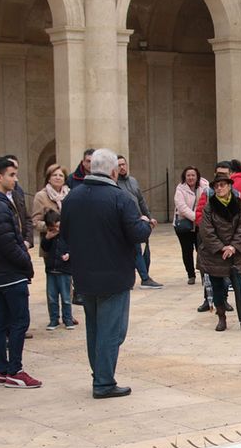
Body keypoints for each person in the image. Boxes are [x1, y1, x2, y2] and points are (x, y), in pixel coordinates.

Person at [58, 147, 151, 398]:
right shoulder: (120, 198)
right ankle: (103, 382)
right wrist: (144, 224)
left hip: (84, 276)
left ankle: (99, 373)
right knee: (112, 331)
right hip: (114, 275)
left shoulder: (72, 198)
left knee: (95, 329)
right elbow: (137, 233)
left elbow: (64, 234)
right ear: (112, 171)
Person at [0, 156, 40, 388]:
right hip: (10, 273)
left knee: (2, 323)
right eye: (11, 175)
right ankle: (14, 370)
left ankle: (2, 371)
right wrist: (25, 262)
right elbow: (7, 243)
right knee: (19, 322)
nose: (15, 179)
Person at [196, 172, 241, 332]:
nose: (219, 188)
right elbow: (206, 231)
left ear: (229, 186)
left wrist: (232, 247)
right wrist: (222, 247)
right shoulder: (209, 207)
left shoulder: (239, 205)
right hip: (215, 254)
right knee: (218, 288)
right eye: (216, 186)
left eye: (222, 185)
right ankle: (221, 317)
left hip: (234, 253)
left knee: (240, 286)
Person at [115, 154, 161, 289]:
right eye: (119, 165)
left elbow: (141, 200)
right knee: (135, 250)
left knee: (145, 250)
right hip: (127, 222)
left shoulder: (133, 181)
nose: (122, 167)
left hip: (141, 221)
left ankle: (143, 275)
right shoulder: (114, 183)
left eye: (123, 164)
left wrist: (149, 216)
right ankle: (145, 278)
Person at [39, 208, 77, 331]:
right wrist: (48, 238)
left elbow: (74, 246)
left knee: (66, 297)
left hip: (64, 270)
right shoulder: (50, 235)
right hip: (51, 269)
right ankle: (54, 319)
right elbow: (44, 248)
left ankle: (68, 319)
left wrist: (69, 254)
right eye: (53, 227)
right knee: (52, 297)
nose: (56, 229)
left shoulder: (67, 233)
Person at [172, 166, 206, 285]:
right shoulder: (180, 189)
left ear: (197, 176)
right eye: (188, 175)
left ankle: (204, 274)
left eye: (193, 175)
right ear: (184, 177)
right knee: (187, 250)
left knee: (201, 249)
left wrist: (200, 220)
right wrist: (196, 218)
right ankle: (191, 274)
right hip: (185, 225)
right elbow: (182, 208)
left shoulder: (204, 187)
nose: (191, 178)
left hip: (200, 225)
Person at [31, 163, 69, 244]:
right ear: (48, 179)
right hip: (50, 242)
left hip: (69, 241)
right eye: (54, 175)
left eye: (61, 175)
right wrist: (53, 226)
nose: (58, 177)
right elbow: (35, 222)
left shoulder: (70, 195)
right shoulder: (41, 196)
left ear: (65, 179)